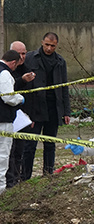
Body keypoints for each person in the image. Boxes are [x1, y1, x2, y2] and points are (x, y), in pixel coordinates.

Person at [21, 32, 71, 179]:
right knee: (30, 145)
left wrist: (66, 111)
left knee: (50, 144)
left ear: (57, 45)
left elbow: (64, 87)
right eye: (47, 45)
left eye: (52, 46)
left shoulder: (60, 62)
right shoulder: (30, 58)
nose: (49, 48)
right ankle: (25, 177)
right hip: (34, 108)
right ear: (42, 42)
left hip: (54, 109)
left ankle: (48, 175)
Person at [6, 41, 35, 188]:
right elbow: (8, 92)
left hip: (23, 118)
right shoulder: (6, 71)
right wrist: (21, 81)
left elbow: (31, 97)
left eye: (24, 53)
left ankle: (17, 180)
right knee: (8, 152)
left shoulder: (28, 69)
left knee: (19, 151)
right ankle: (8, 181)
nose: (22, 57)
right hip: (8, 117)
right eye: (19, 54)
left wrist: (31, 116)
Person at [0, 50, 26, 194]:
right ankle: (1, 190)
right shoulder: (4, 74)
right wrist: (19, 98)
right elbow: (8, 97)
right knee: (3, 155)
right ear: (13, 62)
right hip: (3, 120)